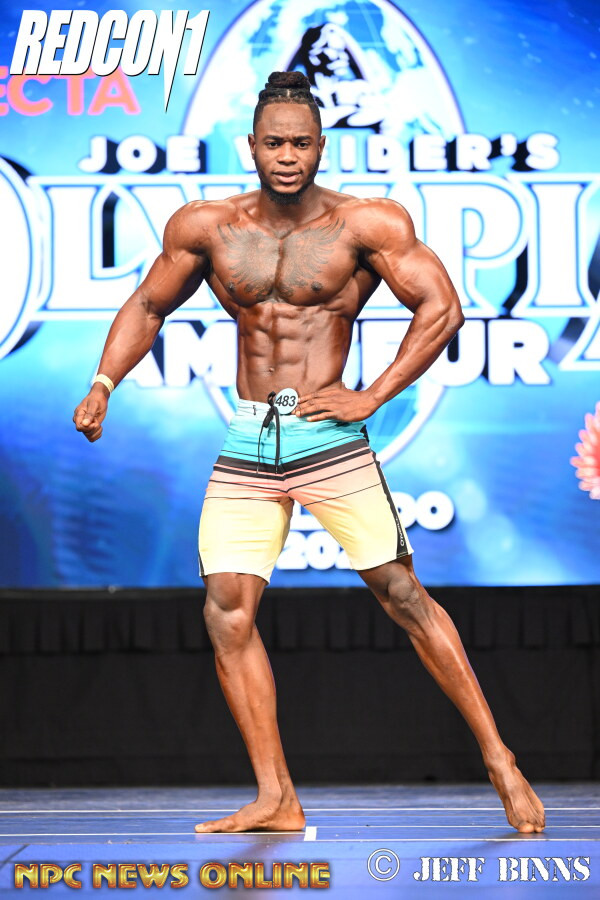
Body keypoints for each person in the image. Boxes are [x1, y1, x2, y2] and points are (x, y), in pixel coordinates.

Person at [73, 71, 546, 836]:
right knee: (227, 612)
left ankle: (500, 759)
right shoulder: (208, 227)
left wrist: (373, 394)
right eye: (274, 143)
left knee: (402, 594)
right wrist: (103, 383)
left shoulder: (365, 224)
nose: (287, 156)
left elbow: (442, 306)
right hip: (249, 438)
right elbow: (150, 304)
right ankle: (276, 796)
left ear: (321, 147)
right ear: (251, 146)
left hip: (327, 437)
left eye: (300, 143)